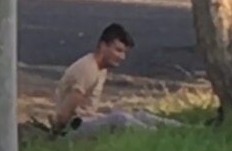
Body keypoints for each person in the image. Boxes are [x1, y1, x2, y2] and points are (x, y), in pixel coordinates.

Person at [49, 23, 184, 138]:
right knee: (120, 119)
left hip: (87, 120)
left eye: (124, 52)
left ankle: (185, 130)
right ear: (103, 46)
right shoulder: (87, 68)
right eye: (118, 50)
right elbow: (64, 113)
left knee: (140, 115)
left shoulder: (100, 68)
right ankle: (158, 137)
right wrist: (56, 136)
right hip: (72, 130)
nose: (122, 57)